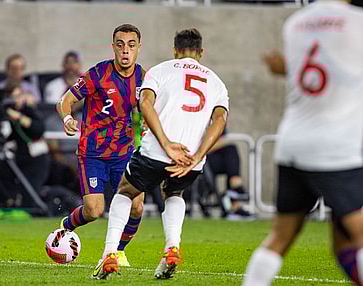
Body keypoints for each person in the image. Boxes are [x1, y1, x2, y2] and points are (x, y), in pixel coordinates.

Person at [242, 1, 363, 285]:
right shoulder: (356, 21)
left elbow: (315, 70)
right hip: (336, 148)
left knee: (279, 237)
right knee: (358, 236)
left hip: (292, 145)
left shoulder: (295, 23)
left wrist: (284, 69)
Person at [93, 28, 229, 280]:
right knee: (174, 192)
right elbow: (220, 120)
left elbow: (144, 104)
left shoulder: (160, 70)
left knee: (126, 190)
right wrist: (198, 155)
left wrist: (166, 144)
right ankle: (172, 248)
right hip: (191, 159)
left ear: (175, 50)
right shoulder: (217, 82)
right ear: (201, 52)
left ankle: (110, 253)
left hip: (157, 151)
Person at [56, 24, 146, 267]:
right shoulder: (98, 74)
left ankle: (119, 251)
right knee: (94, 211)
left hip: (124, 153)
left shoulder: (143, 77)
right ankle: (65, 227)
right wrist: (67, 118)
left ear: (138, 48)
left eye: (131, 45)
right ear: (113, 47)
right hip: (93, 153)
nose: (125, 51)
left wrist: (146, 124)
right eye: (120, 45)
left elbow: (147, 109)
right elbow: (65, 100)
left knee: (137, 206)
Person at [205, 128, 254, 220]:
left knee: (230, 151)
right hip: (196, 161)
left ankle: (235, 195)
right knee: (230, 151)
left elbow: (221, 140)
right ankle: (236, 190)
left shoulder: (217, 117)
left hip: (208, 159)